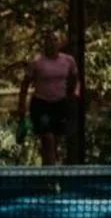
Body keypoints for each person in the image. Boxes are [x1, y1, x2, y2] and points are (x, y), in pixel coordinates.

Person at [17, 30, 81, 166]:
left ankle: (47, 172)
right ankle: (52, 178)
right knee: (48, 138)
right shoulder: (36, 62)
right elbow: (25, 84)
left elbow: (75, 78)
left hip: (60, 105)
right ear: (45, 43)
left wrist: (74, 92)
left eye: (55, 40)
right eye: (49, 40)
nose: (51, 43)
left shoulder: (68, 61)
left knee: (53, 144)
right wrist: (21, 106)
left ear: (60, 43)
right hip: (41, 105)